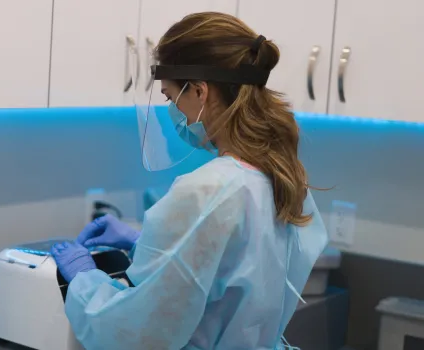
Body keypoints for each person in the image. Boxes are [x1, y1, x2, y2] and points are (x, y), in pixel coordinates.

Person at [51, 11, 328, 350]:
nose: (170, 110)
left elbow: (137, 332)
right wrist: (146, 244)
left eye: (169, 97)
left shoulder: (208, 190)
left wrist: (84, 281)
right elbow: (231, 275)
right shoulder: (279, 175)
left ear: (199, 91)